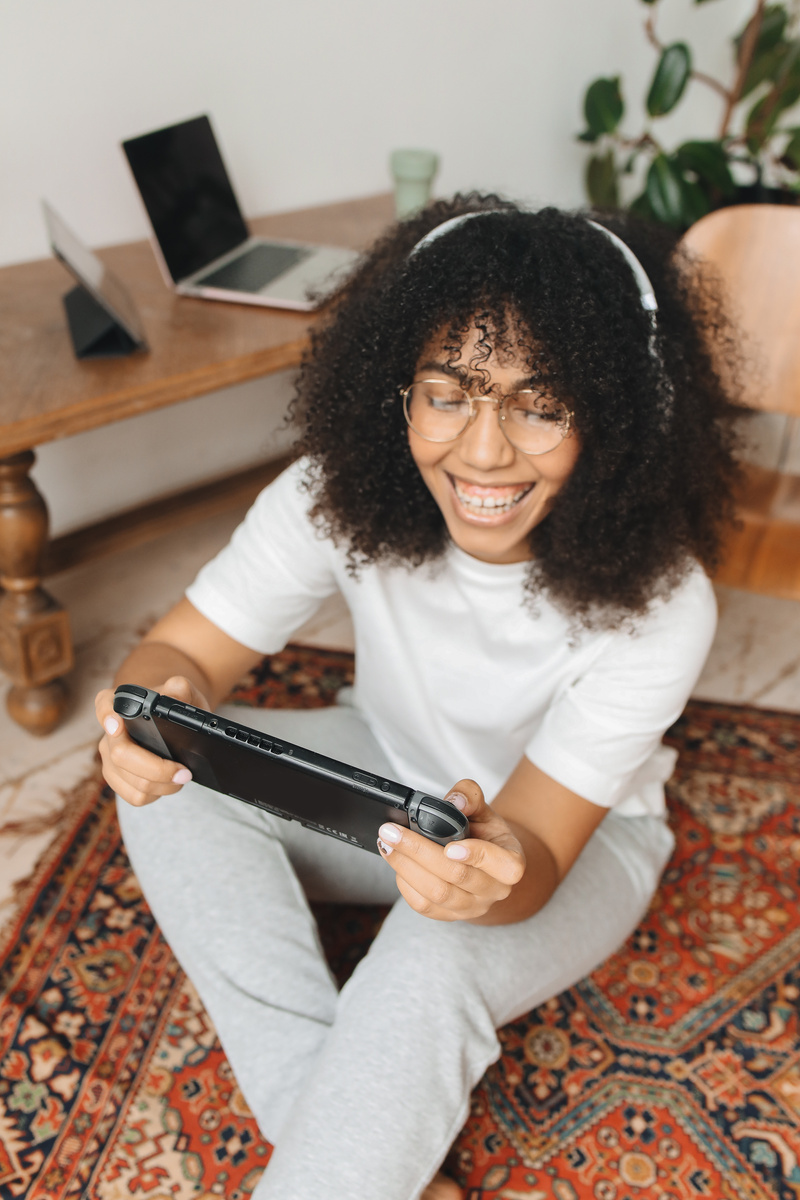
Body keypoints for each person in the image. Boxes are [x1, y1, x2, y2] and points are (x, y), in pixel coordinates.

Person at [96, 196, 742, 1200]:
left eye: (540, 405)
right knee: (167, 783)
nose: (481, 452)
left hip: (574, 842)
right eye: (448, 394)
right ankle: (355, 1147)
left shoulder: (662, 600)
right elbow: (178, 650)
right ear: (394, 395)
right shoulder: (330, 494)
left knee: (429, 959)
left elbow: (526, 859)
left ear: (613, 416)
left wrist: (486, 878)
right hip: (387, 771)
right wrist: (153, 710)